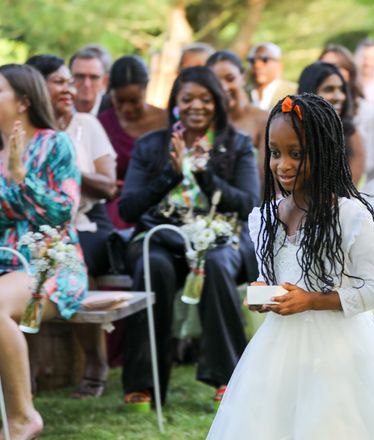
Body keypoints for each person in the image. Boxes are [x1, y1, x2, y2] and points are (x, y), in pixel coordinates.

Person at [186, 93, 374, 440]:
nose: (283, 164)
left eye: (296, 153)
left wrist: (312, 300)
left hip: (341, 350)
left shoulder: (349, 215)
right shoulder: (264, 218)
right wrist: (265, 293)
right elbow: (276, 274)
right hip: (278, 350)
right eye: (275, 152)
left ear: (325, 152)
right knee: (269, 439)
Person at [118, 66, 259, 407]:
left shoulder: (236, 144)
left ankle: (227, 378)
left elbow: (249, 204)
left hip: (218, 238)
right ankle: (144, 382)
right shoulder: (152, 145)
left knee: (216, 263)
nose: (197, 105)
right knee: (154, 268)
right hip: (161, 236)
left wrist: (205, 175)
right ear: (175, 104)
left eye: (206, 99)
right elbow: (128, 209)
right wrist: (170, 174)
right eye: (187, 99)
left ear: (218, 103)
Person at [0, 64, 86, 440]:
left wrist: (21, 176)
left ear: (24, 102)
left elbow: (62, 214)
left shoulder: (56, 145)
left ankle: (23, 416)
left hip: (48, 266)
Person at [26, 54, 117, 398]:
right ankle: (27, 374)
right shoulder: (21, 132)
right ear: (34, 88)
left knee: (66, 258)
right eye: (60, 82)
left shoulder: (84, 126)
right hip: (33, 226)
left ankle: (95, 360)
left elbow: (109, 186)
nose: (71, 88)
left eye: (70, 81)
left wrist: (62, 169)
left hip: (88, 222)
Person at [98, 56, 167, 229]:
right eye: (119, 101)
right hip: (115, 205)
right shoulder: (102, 123)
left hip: (158, 201)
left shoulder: (165, 121)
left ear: (146, 90)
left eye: (134, 101)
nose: (127, 108)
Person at [319, 44, 374, 197]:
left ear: (349, 72)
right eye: (325, 66)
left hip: (362, 192)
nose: (330, 71)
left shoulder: (372, 114)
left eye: (337, 66)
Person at [298, 61, 365, 184]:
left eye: (342, 89)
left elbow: (351, 185)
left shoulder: (350, 133)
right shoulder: (291, 130)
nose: (339, 96)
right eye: (329, 89)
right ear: (309, 92)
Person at [207, 50, 268, 184]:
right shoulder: (203, 122)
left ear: (243, 78)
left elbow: (267, 176)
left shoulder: (264, 120)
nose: (223, 87)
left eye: (230, 79)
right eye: (216, 82)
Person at [247, 42, 297, 111]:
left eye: (265, 59)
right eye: (252, 61)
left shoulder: (296, 92)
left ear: (279, 65)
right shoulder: (242, 94)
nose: (257, 65)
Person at [69, 46, 111, 115]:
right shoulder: (56, 110)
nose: (86, 84)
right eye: (80, 77)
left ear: (105, 81)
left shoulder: (115, 113)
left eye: (94, 78)